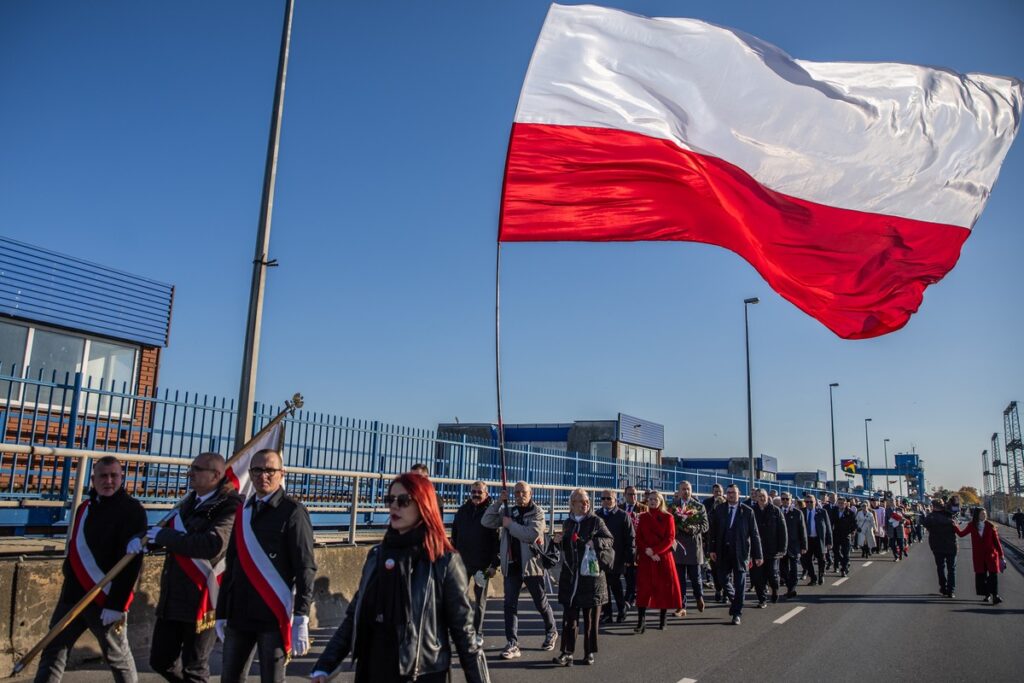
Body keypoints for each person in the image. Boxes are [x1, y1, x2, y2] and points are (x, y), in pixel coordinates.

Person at [309, 473, 489, 683]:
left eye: (403, 501)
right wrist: (324, 665)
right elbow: (354, 617)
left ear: (423, 506)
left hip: (421, 673)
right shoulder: (377, 556)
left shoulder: (444, 561)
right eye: (390, 500)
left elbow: (464, 634)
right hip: (373, 670)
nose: (394, 506)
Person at [35, 456, 147, 683]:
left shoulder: (132, 510)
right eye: (103, 476)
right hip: (74, 595)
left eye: (114, 476)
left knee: (117, 656)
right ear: (93, 479)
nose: (109, 481)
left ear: (121, 477)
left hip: (105, 598)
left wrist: (117, 604)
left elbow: (131, 564)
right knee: (54, 649)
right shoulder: (84, 508)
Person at [138, 452, 241, 683]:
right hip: (173, 597)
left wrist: (166, 537)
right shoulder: (189, 502)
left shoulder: (230, 506)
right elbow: (166, 528)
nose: (190, 473)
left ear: (215, 475)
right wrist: (142, 539)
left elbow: (212, 545)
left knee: (194, 668)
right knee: (160, 660)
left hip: (203, 598)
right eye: (191, 468)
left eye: (197, 469)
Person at [216, 449, 316, 683]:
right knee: (230, 678)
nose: (264, 475)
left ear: (282, 474)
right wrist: (222, 611)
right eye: (258, 470)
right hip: (239, 612)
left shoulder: (293, 512)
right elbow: (231, 564)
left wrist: (301, 615)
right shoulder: (244, 510)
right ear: (250, 473)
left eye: (270, 470)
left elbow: (305, 567)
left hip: (272, 614)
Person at [481, 481, 557, 659]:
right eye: (516, 493)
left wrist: (509, 525)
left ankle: (551, 630)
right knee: (509, 606)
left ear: (531, 494)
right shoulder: (509, 510)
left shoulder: (537, 512)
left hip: (531, 564)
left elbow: (531, 535)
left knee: (540, 602)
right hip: (511, 564)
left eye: (523, 492)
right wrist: (500, 502)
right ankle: (512, 643)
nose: (519, 495)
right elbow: (486, 521)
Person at [552, 489, 614, 667]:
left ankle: (589, 652)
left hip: (591, 577)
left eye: (587, 501)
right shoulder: (567, 523)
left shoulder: (596, 521)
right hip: (571, 578)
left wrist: (594, 542)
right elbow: (566, 546)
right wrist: (558, 541)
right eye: (581, 501)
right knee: (569, 619)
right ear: (572, 504)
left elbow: (609, 539)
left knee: (590, 619)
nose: (585, 504)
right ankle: (567, 652)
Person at [451, 481, 500, 645]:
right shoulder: (462, 511)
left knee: (480, 601)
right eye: (474, 491)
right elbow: (455, 535)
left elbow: (497, 542)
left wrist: (494, 565)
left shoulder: (492, 513)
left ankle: (478, 633)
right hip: (462, 563)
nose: (476, 494)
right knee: (459, 598)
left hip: (484, 565)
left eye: (479, 492)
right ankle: (463, 631)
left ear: (486, 494)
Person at [710, 485, 763, 624]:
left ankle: (737, 613)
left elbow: (755, 534)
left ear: (739, 494)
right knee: (722, 578)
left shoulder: (747, 511)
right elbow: (713, 532)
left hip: (741, 552)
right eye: (728, 493)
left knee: (740, 583)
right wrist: (712, 549)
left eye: (733, 493)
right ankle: (735, 601)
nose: (731, 495)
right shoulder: (720, 509)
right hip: (723, 551)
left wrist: (758, 555)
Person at [634, 490, 682, 632]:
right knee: (643, 589)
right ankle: (641, 622)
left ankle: (663, 619)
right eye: (650, 499)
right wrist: (648, 551)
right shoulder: (643, 517)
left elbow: (670, 539)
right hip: (646, 558)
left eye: (655, 499)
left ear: (661, 501)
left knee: (664, 588)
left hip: (663, 557)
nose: (653, 501)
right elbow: (638, 538)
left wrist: (656, 551)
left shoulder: (668, 517)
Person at [669, 481, 708, 617]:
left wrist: (693, 528)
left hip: (693, 547)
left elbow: (705, 525)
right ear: (679, 491)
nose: (686, 492)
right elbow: (668, 523)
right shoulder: (672, 506)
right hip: (678, 547)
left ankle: (699, 597)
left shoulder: (699, 506)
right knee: (679, 580)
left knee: (696, 578)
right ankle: (681, 606)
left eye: (688, 489)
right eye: (683, 489)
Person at [596, 488, 635, 624]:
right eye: (603, 499)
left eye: (609, 498)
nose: (606, 501)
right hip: (602, 557)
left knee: (615, 585)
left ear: (615, 500)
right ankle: (607, 613)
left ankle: (621, 609)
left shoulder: (623, 516)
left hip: (617, 557)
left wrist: (629, 558)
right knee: (603, 586)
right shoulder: (597, 515)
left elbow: (630, 538)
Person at [955, 507, 1006, 605]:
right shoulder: (972, 525)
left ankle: (995, 595)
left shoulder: (990, 526)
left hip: (991, 555)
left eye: (985, 513)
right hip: (979, 555)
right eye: (982, 514)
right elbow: (961, 534)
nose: (984, 515)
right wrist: (955, 526)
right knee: (981, 577)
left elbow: (996, 542)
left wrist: (1001, 555)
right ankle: (987, 594)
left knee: (993, 576)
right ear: (977, 515)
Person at [751, 489, 786, 606]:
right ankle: (762, 599)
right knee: (758, 577)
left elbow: (782, 530)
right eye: (759, 496)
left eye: (764, 496)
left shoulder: (775, 511)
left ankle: (775, 590)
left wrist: (782, 548)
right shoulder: (752, 511)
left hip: (772, 550)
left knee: (772, 574)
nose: (762, 498)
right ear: (755, 498)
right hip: (756, 550)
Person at [921, 498, 958, 598]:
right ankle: (951, 590)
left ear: (933, 506)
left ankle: (943, 587)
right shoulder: (949, 514)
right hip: (951, 544)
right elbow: (956, 507)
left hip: (936, 545)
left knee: (940, 567)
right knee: (952, 568)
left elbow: (924, 524)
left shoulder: (930, 517)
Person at [621, 485, 647, 606]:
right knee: (627, 572)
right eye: (630, 494)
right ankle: (630, 594)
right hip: (625, 546)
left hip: (639, 545)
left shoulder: (643, 508)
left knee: (636, 572)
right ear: (625, 495)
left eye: (635, 494)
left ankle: (631, 596)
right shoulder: (620, 509)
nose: (633, 496)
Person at [778, 492, 807, 599]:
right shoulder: (777, 511)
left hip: (794, 546)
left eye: (787, 499)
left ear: (791, 500)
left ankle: (792, 589)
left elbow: (802, 530)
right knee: (783, 570)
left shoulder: (797, 513)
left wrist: (804, 546)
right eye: (783, 499)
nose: (785, 501)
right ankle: (789, 586)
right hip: (781, 547)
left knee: (794, 569)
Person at [800, 493, 831, 585]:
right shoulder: (801, 512)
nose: (809, 503)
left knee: (821, 559)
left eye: (811, 501)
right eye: (807, 501)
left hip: (818, 539)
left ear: (815, 502)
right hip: (807, 540)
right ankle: (813, 578)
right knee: (807, 560)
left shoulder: (822, 512)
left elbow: (828, 527)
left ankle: (821, 575)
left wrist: (829, 542)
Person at [703, 483, 725, 601]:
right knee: (714, 569)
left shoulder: (728, 504)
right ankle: (718, 589)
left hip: (726, 544)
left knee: (726, 570)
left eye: (720, 491)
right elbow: (705, 522)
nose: (718, 494)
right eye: (716, 491)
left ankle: (726, 592)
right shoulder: (707, 504)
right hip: (712, 543)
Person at [829, 498, 857, 577]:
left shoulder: (850, 513)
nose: (841, 504)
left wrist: (852, 531)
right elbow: (830, 522)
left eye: (842, 503)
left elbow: (854, 524)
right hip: (836, 535)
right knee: (836, 551)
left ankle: (844, 569)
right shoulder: (834, 511)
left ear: (845, 504)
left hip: (846, 535)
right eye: (839, 503)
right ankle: (844, 563)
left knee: (845, 553)